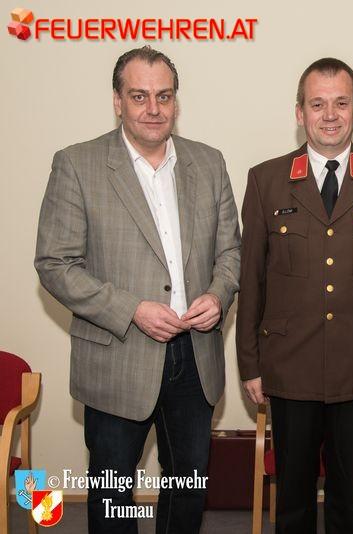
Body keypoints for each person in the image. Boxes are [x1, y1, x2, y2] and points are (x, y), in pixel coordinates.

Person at [34, 46, 241, 533]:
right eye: (139, 96)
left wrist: (218, 295)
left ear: (176, 102)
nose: (154, 108)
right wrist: (131, 309)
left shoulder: (209, 163)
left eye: (164, 96)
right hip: (118, 356)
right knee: (112, 499)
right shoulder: (78, 164)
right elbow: (55, 264)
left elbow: (231, 252)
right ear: (117, 101)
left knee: (187, 493)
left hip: (195, 357)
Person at [236, 57, 353, 534]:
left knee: (349, 499)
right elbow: (252, 279)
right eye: (317, 104)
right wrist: (250, 363)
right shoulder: (266, 180)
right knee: (293, 498)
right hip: (290, 365)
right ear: (299, 113)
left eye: (341, 103)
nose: (330, 115)